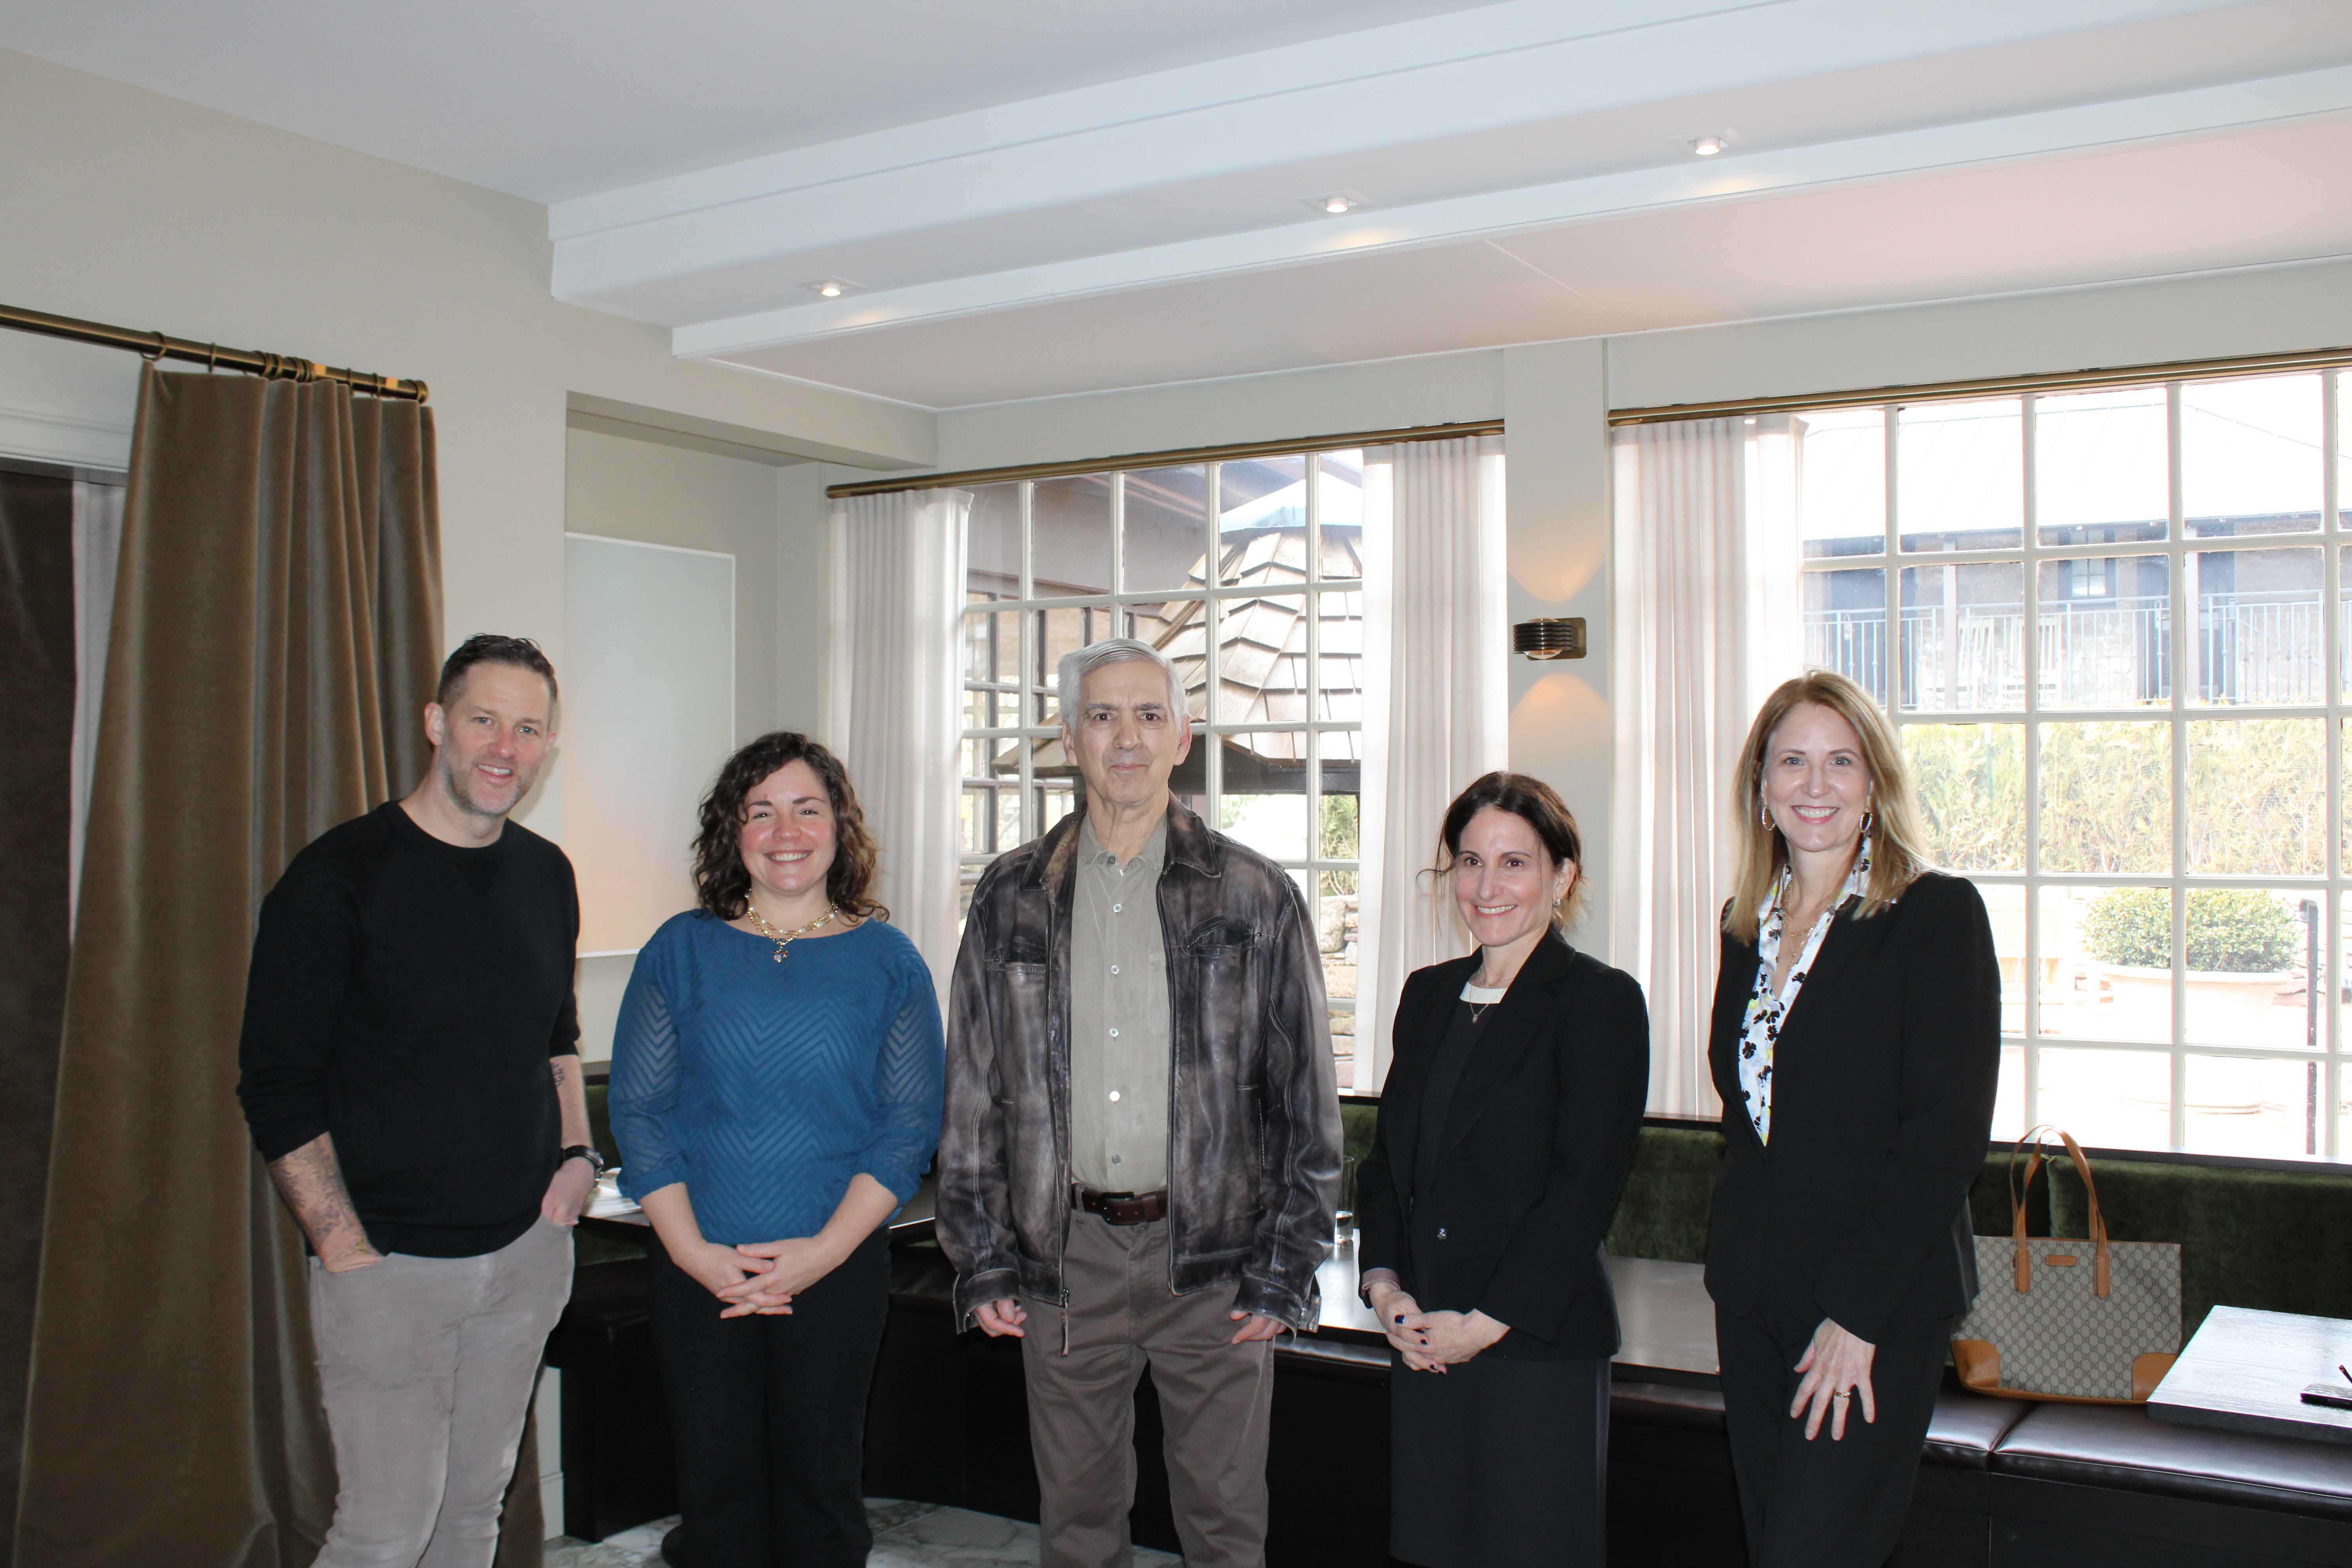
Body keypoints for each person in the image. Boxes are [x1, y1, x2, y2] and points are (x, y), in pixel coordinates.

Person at [936, 636, 1342, 1568]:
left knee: (1225, 1522)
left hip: (1214, 1263)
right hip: (1064, 1258)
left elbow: (1308, 1106)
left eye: (1149, 715)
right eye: (1103, 715)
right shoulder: (1008, 896)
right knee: (1077, 1524)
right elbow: (971, 1095)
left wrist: (1285, 1269)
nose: (1127, 737)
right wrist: (985, 1259)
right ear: (1070, 736)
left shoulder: (1255, 892)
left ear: (1184, 737)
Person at [237, 634, 590, 1568]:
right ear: (437, 723)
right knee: (385, 1530)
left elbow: (557, 1037)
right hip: (388, 1269)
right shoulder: (336, 878)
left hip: (523, 1255)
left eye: (528, 726)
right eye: (483, 718)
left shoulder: (547, 872)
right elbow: (275, 1082)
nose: (504, 746)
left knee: (474, 1513)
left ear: (549, 742)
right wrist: (342, 1244)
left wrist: (576, 1163)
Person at [608, 731, 943, 1568]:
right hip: (700, 1269)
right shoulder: (678, 950)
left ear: (840, 825)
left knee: (822, 1498)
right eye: (760, 811)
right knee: (717, 1499)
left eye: (806, 808)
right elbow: (640, 1110)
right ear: (733, 831)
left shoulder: (891, 962)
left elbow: (907, 1126)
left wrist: (819, 1255)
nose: (785, 830)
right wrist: (694, 1251)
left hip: (834, 1269)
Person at [1704, 670, 2001, 1568]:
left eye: (1842, 761)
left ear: (1875, 781)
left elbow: (1944, 1139)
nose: (1816, 784)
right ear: (1762, 786)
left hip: (1870, 1311)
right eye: (1793, 761)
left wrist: (1857, 1314)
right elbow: (1750, 1124)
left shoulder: (1936, 914)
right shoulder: (1743, 924)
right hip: (1755, 1301)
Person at [1354, 772, 1649, 1568]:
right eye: (1470, 861)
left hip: (1531, 1344)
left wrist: (1483, 1323)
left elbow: (1583, 1188)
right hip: (1424, 1338)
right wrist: (1386, 1291)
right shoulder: (1425, 995)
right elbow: (1387, 1162)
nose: (1488, 887)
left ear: (1563, 875)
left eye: (1515, 862)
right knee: (1432, 1548)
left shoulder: (1599, 1001)